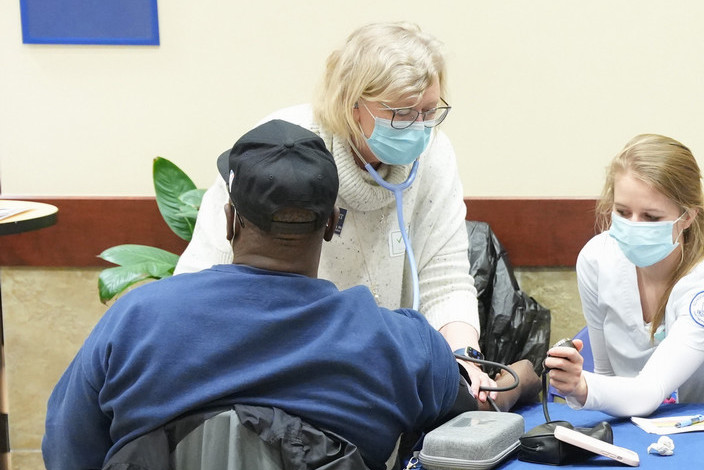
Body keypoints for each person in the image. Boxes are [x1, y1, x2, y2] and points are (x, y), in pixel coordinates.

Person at [43, 120, 538, 470]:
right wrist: (528, 377)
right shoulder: (396, 345)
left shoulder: (134, 324)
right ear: (329, 225)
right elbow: (477, 411)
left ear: (230, 218)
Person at [175, 21, 495, 398]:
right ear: (352, 102)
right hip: (283, 367)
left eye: (429, 111)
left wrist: (465, 359)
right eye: (402, 113)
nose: (419, 128)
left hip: (383, 375)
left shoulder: (434, 155)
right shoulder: (283, 151)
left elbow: (446, 279)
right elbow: (203, 274)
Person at [546, 133, 704, 417]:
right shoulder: (596, 260)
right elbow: (606, 375)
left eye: (651, 217)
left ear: (688, 217)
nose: (633, 226)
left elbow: (650, 390)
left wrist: (581, 386)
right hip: (629, 424)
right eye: (622, 211)